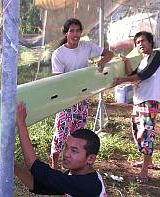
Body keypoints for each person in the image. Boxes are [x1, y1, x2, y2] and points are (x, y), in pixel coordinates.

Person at [50, 18, 114, 169]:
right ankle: (54, 163)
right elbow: (58, 80)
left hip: (83, 98)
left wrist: (100, 63)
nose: (75, 34)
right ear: (66, 33)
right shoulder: (58, 54)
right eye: (72, 31)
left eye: (78, 30)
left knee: (77, 134)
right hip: (66, 100)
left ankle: (72, 164)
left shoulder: (86, 46)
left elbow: (109, 54)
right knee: (61, 133)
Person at [15, 102, 106, 196]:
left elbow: (38, 169)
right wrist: (12, 164)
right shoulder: (75, 175)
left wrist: (21, 123)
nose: (66, 154)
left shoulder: (87, 185)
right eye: (66, 147)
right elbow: (38, 187)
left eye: (74, 151)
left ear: (90, 159)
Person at [114, 31, 160, 183]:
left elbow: (144, 75)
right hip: (139, 101)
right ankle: (146, 162)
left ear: (150, 42)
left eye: (143, 41)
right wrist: (126, 62)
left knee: (147, 134)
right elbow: (133, 75)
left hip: (150, 101)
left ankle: (144, 171)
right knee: (137, 132)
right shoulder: (144, 60)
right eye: (137, 43)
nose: (140, 44)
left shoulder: (157, 56)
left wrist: (121, 79)